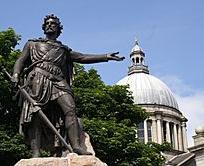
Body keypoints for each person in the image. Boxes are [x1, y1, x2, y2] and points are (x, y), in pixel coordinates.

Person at [11, 14, 124, 157]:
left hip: (58, 80)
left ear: (59, 28)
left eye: (53, 23)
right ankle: (36, 153)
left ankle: (76, 146)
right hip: (38, 79)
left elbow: (82, 57)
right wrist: (16, 74)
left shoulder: (63, 50)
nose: (49, 25)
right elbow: (21, 60)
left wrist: (105, 57)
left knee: (70, 109)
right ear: (43, 27)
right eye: (47, 23)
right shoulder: (32, 44)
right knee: (36, 114)